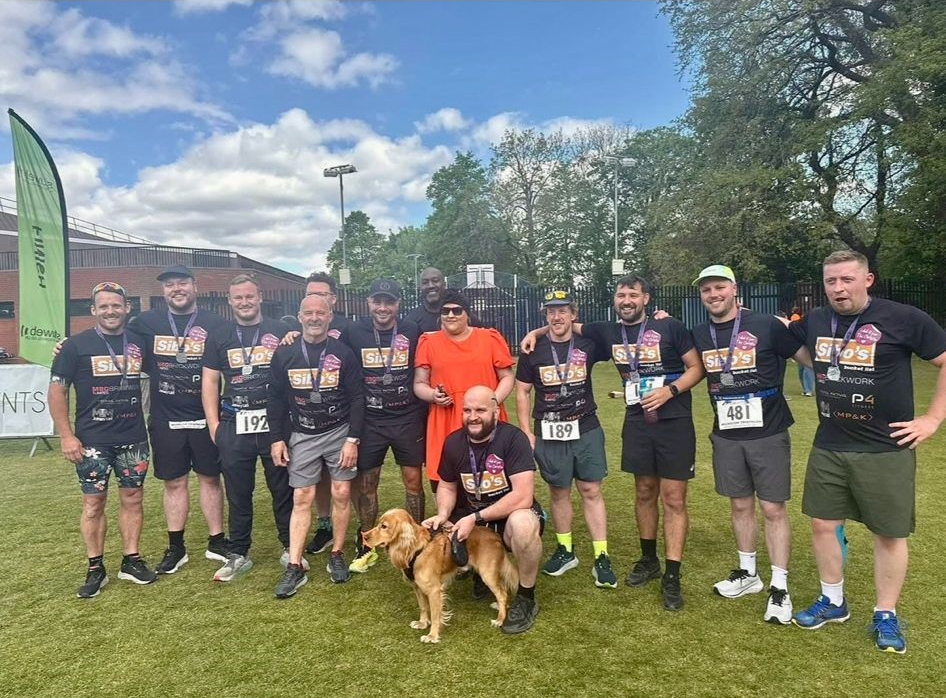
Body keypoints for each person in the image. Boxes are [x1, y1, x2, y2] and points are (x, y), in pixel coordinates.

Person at [788, 250, 946, 654]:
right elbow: (806, 354)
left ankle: (886, 614)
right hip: (830, 443)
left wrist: (931, 420)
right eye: (830, 282)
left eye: (846, 279)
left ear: (867, 280)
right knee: (823, 525)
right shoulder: (818, 321)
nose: (838, 288)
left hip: (885, 447)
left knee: (889, 534)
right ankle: (833, 601)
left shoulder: (904, 318)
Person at [521, 274, 704, 611]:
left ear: (646, 298)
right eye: (621, 295)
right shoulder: (607, 332)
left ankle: (672, 575)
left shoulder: (670, 327)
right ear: (615, 300)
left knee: (674, 498)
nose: (627, 300)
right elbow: (563, 327)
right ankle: (649, 560)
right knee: (644, 492)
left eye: (633, 294)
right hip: (637, 421)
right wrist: (535, 332)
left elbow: (697, 367)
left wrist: (671, 390)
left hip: (674, 420)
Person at [691, 265, 804, 624]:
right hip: (726, 434)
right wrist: (540, 329)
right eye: (706, 290)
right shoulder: (699, 333)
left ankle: (780, 587)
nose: (713, 294)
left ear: (734, 288)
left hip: (768, 432)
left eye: (719, 287)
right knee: (740, 506)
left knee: (773, 509)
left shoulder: (767, 324)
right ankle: (748, 574)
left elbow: (808, 358)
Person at [49, 282, 157, 597]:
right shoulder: (74, 346)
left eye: (116, 305)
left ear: (127, 308)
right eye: (104, 306)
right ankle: (95, 566)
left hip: (133, 437)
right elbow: (58, 390)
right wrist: (66, 435)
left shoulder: (139, 342)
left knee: (133, 498)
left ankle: (131, 558)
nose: (111, 311)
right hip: (92, 440)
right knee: (93, 504)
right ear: (94, 310)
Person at [129, 264, 229, 575]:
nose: (177, 289)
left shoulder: (215, 323)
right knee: (174, 482)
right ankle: (177, 547)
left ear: (195, 286)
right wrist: (67, 344)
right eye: (170, 284)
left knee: (211, 479)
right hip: (165, 416)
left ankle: (216, 541)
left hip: (206, 415)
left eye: (182, 282)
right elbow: (114, 336)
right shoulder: (146, 322)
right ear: (163, 291)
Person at [515, 290, 617, 588]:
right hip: (548, 430)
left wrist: (659, 320)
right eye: (550, 312)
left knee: (590, 490)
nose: (556, 317)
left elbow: (617, 333)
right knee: (559, 491)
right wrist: (525, 431)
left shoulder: (588, 343)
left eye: (563, 311)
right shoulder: (532, 349)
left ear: (574, 314)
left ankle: (601, 555)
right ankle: (566, 550)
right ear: (545, 315)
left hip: (585, 427)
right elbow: (522, 391)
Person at [422, 386, 544, 635]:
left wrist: (476, 517)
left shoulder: (513, 439)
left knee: (524, 524)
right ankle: (480, 569)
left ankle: (525, 596)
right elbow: (446, 485)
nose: (472, 416)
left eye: (480, 410)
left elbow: (523, 495)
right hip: (470, 516)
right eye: (467, 410)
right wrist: (443, 514)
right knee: (437, 530)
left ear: (496, 412)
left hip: (507, 515)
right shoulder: (454, 441)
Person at [268, 295, 364, 594]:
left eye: (320, 313)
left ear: (330, 316)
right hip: (303, 433)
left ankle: (336, 554)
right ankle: (294, 566)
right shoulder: (284, 353)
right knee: (302, 497)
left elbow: (357, 397)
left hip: (338, 432)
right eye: (308, 313)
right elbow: (274, 398)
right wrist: (276, 438)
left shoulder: (343, 353)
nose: (314, 318)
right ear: (299, 316)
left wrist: (352, 440)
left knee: (342, 491)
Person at [201, 274, 294, 582]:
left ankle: (289, 547)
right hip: (234, 422)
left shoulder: (280, 331)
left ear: (259, 298)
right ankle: (238, 553)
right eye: (238, 298)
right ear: (230, 302)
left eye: (249, 296)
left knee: (282, 488)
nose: (244, 302)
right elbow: (211, 381)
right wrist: (214, 425)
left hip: (273, 424)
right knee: (239, 493)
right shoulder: (219, 334)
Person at [341, 279, 427, 574]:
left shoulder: (412, 331)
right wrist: (290, 334)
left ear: (397, 305)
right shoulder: (354, 331)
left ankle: (417, 542)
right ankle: (367, 544)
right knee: (367, 484)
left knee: (413, 481)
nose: (382, 308)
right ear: (368, 303)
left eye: (388, 302)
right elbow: (325, 342)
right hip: (371, 420)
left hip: (407, 416)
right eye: (377, 302)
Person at [414, 289, 514, 489]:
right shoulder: (428, 342)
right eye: (445, 311)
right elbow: (419, 384)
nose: (451, 315)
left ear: (467, 313)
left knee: (494, 476)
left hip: (485, 416)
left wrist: (493, 401)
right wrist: (433, 395)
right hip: (447, 417)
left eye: (457, 310)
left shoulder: (489, 338)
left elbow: (507, 376)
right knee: (446, 479)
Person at [303, 271, 354, 557]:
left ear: (332, 299)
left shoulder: (348, 328)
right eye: (310, 294)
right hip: (310, 413)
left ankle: (357, 526)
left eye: (321, 294)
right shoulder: (304, 326)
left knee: (347, 478)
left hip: (342, 414)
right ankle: (324, 525)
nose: (316, 300)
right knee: (319, 475)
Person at [405, 267, 447, 333]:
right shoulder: (411, 321)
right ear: (420, 288)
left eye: (435, 281)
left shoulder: (458, 315)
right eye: (425, 282)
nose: (430, 286)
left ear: (444, 285)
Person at [790, 307, 814, 396]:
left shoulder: (795, 317)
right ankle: (805, 389)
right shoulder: (800, 326)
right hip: (801, 348)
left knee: (807, 371)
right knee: (801, 371)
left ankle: (809, 390)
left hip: (809, 350)